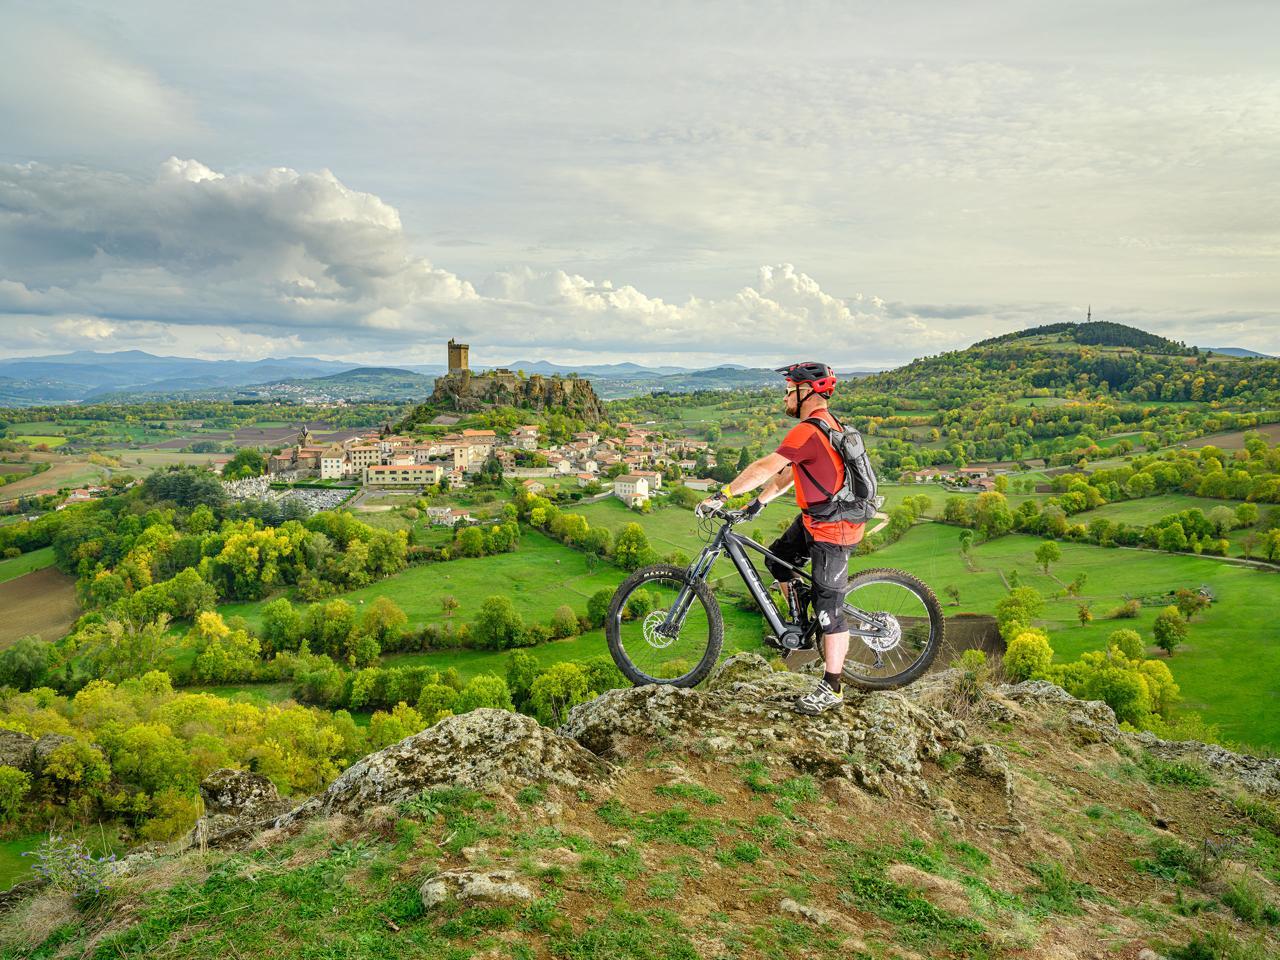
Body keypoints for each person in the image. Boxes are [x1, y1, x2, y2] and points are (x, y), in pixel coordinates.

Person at [698, 361, 864, 715]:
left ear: (807, 392)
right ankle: (797, 615)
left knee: (829, 610)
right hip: (815, 519)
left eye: (790, 390)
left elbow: (765, 466)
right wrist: (757, 503)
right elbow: (789, 474)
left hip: (835, 528)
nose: (786, 396)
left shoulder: (808, 429)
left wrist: (723, 494)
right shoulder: (823, 427)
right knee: (777, 559)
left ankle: (832, 687)